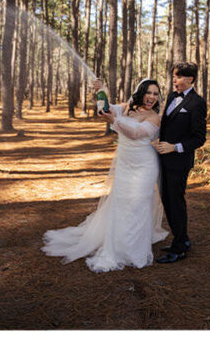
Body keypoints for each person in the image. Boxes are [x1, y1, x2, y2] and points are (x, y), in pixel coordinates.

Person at [41, 78, 168, 272]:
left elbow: (135, 134)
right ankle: (117, 243)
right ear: (140, 92)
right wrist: (102, 92)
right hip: (125, 164)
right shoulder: (127, 108)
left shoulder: (154, 117)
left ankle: (134, 249)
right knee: (121, 203)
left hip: (144, 165)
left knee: (138, 203)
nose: (151, 97)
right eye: (148, 92)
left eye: (155, 94)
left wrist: (114, 121)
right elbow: (106, 110)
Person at [154, 62, 208, 263]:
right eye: (173, 76)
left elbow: (199, 138)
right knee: (167, 200)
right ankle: (182, 239)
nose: (174, 80)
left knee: (176, 202)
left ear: (190, 79)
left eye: (178, 77)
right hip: (163, 160)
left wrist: (174, 147)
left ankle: (179, 249)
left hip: (179, 162)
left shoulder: (197, 103)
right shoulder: (171, 96)